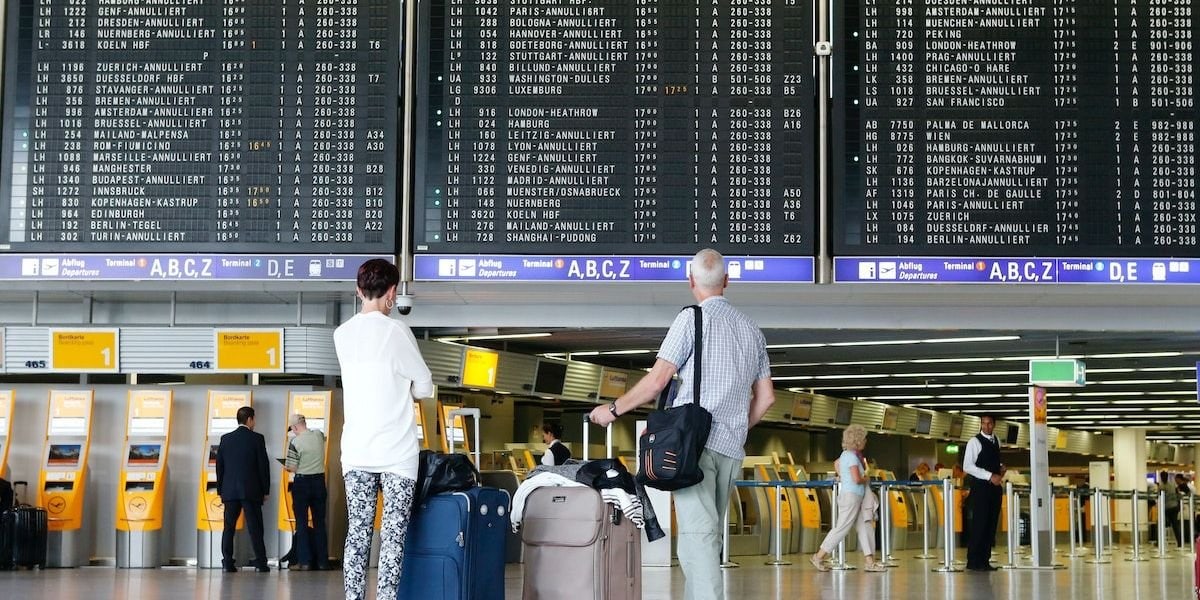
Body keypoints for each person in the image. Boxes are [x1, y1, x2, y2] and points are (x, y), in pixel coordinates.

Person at [589, 248, 775, 600]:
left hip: (695, 446)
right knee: (706, 536)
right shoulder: (753, 330)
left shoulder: (691, 319)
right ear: (727, 281)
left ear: (691, 282)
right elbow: (766, 398)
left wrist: (613, 409)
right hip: (732, 448)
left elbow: (658, 380)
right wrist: (736, 428)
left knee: (699, 537)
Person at [335, 258, 434, 600]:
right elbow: (424, 385)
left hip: (357, 452)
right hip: (398, 456)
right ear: (392, 292)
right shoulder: (398, 331)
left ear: (358, 290)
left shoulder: (341, 334)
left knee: (357, 535)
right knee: (392, 538)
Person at [809, 424, 885, 572]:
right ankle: (818, 557)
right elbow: (857, 479)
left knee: (865, 527)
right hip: (852, 496)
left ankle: (870, 561)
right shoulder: (851, 456)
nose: (865, 441)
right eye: (864, 439)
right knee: (842, 528)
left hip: (856, 496)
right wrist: (866, 479)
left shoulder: (847, 455)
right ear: (857, 440)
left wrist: (842, 476)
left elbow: (837, 464)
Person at [215, 405, 271, 573]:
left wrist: (220, 490)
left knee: (229, 527)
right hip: (251, 490)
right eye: (254, 419)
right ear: (249, 419)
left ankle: (227, 562)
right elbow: (263, 466)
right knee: (255, 528)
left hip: (230, 491)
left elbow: (220, 467)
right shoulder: (257, 439)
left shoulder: (225, 439)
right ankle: (261, 562)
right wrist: (265, 490)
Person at [283, 414, 330, 570]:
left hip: (302, 484)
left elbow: (292, 467)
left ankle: (305, 562)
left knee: (301, 524)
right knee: (319, 523)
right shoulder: (318, 435)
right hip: (319, 482)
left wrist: (286, 465)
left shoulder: (295, 442)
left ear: (295, 427)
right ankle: (322, 561)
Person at [962, 415, 1004, 571]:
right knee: (979, 524)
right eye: (983, 424)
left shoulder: (997, 441)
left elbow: (992, 461)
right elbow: (968, 466)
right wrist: (989, 475)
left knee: (990, 525)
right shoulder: (974, 442)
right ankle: (973, 561)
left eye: (989, 424)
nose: (986, 427)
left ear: (994, 424)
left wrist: (1000, 468)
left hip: (994, 489)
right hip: (980, 488)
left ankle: (984, 560)